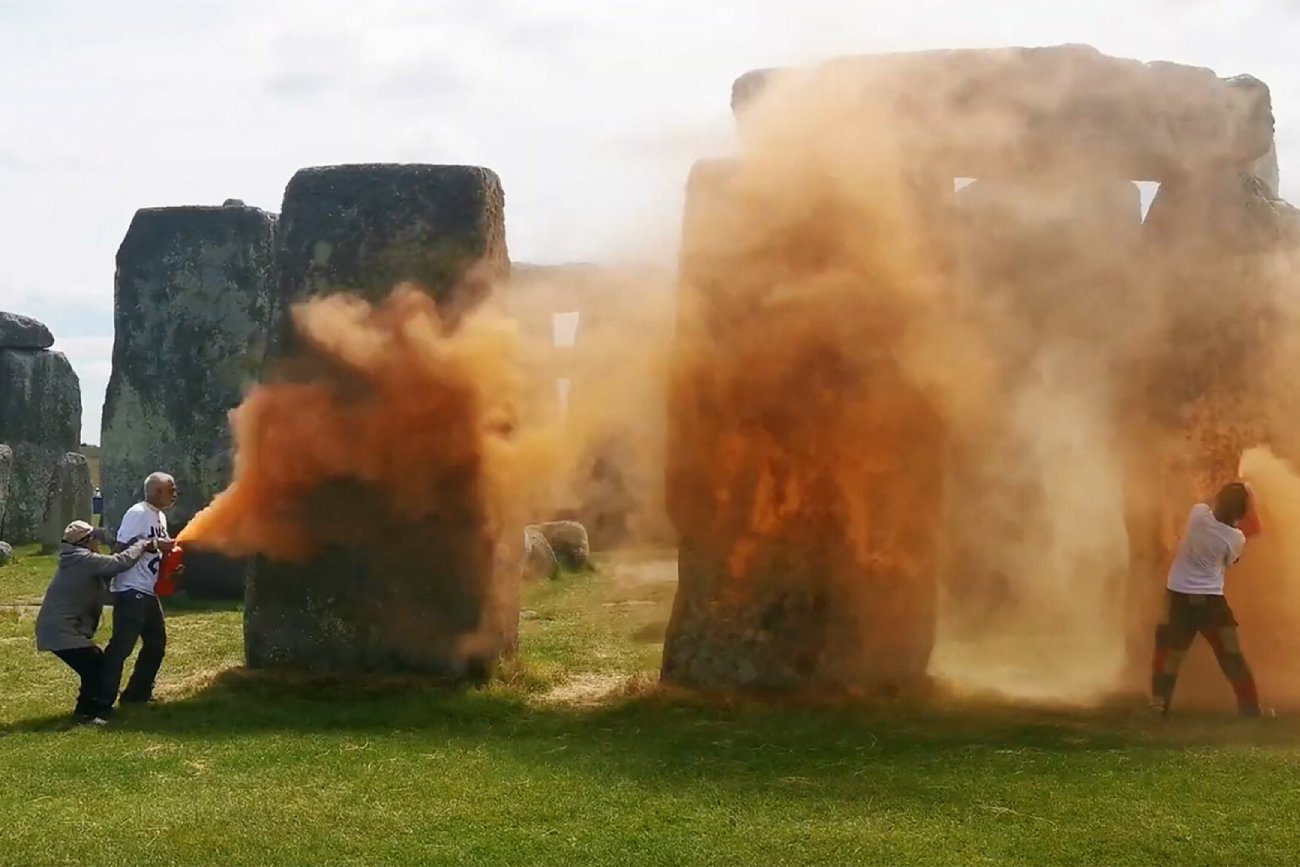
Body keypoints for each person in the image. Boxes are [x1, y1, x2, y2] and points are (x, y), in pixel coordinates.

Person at [1149, 481, 1262, 717]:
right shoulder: (1234, 538)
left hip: (1178, 597)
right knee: (1231, 656)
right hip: (1211, 602)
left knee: (1171, 653)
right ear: (1241, 510)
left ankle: (1158, 704)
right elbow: (1230, 562)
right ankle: (1250, 708)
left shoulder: (1198, 515)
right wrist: (1248, 495)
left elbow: (1209, 500)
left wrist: (1231, 489)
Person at [34, 521, 155, 725]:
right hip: (61, 630)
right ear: (86, 541)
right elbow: (119, 563)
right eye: (95, 538)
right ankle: (87, 714)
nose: (98, 542)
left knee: (94, 665)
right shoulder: (83, 559)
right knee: (96, 667)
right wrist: (142, 544)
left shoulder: (77, 560)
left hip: (58, 628)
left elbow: (103, 592)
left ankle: (85, 712)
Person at [99, 472, 180, 711]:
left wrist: (170, 569)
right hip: (131, 589)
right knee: (121, 648)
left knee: (156, 644)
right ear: (156, 491)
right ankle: (100, 701)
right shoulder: (138, 513)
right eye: (171, 489)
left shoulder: (160, 517)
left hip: (148, 590)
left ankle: (137, 694)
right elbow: (119, 550)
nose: (175, 493)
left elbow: (155, 555)